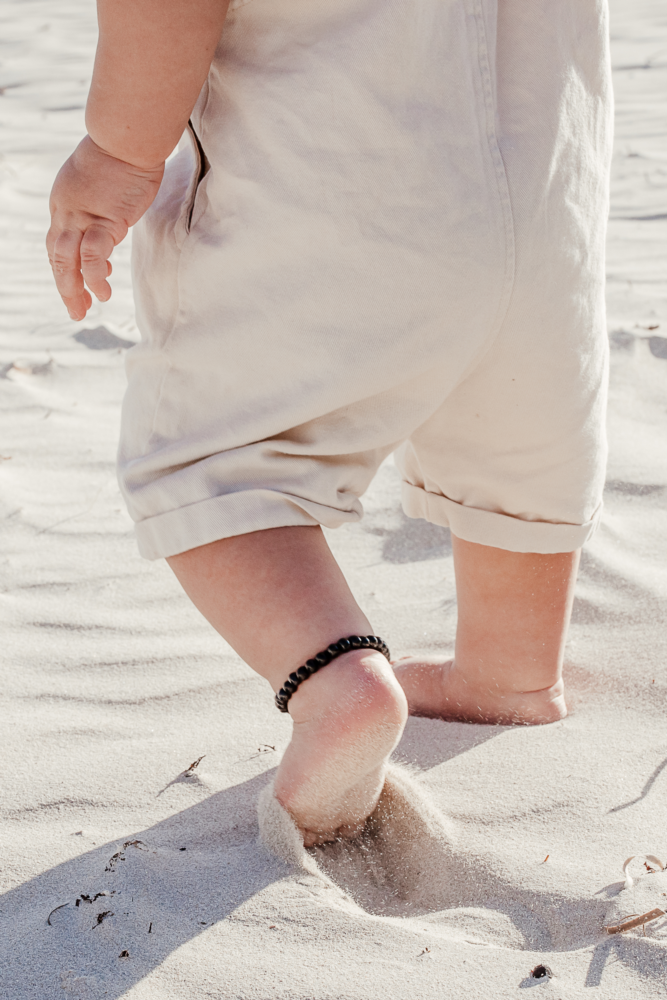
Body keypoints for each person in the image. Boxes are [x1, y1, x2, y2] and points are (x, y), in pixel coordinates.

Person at [47, 0, 612, 846]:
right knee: (521, 438)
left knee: (214, 462)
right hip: (543, 194)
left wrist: (117, 153)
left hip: (332, 184)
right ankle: (510, 676)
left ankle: (336, 684)